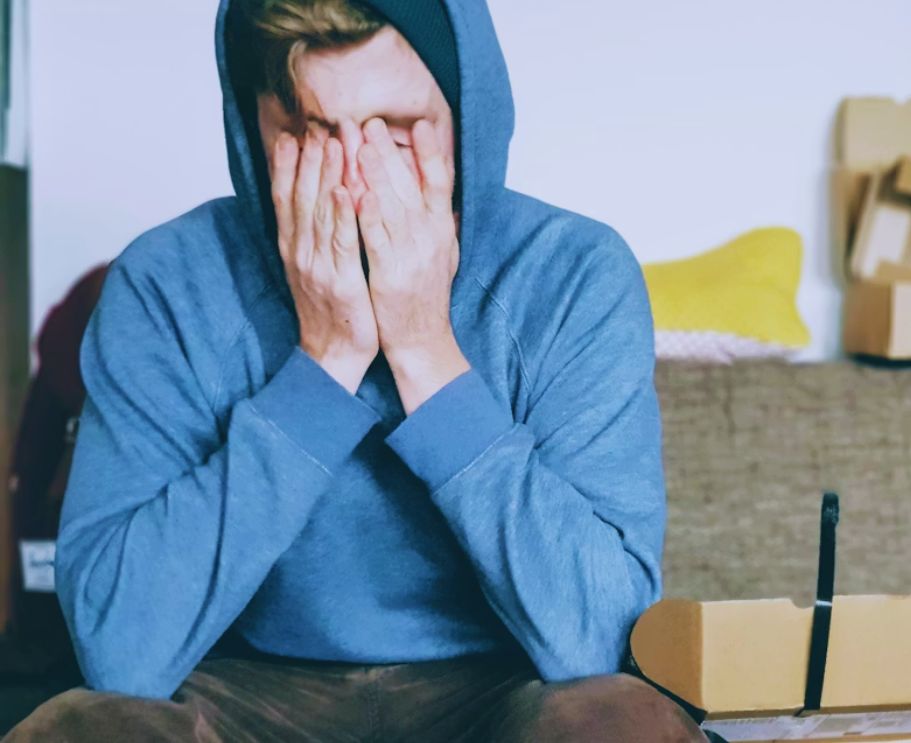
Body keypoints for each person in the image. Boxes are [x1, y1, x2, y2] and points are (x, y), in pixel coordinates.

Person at [5, 1, 704, 740]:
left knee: (621, 723)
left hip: (504, 684)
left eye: (396, 132)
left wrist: (424, 348)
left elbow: (598, 640)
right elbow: (121, 652)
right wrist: (326, 359)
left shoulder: (574, 274)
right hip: (243, 686)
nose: (352, 182)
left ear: (467, 117)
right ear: (253, 131)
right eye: (308, 133)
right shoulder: (164, 281)